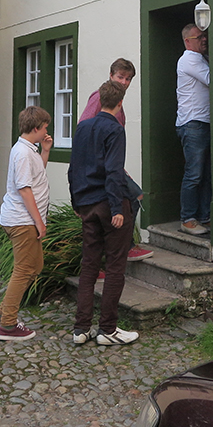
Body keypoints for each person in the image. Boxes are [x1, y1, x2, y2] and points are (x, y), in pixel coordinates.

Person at [69, 80, 139, 345]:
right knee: (114, 266)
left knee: (88, 266)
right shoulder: (115, 129)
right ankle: (108, 329)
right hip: (110, 204)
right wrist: (115, 207)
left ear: (98, 101)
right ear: (120, 103)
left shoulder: (83, 127)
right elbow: (113, 171)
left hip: (86, 204)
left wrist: (77, 203)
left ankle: (81, 328)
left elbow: (73, 167)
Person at [79, 58, 152, 264]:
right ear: (111, 76)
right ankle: (124, 248)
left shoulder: (118, 103)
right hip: (101, 166)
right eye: (120, 77)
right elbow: (84, 127)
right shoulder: (100, 98)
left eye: (128, 79)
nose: (124, 82)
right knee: (131, 197)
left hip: (110, 165)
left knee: (132, 197)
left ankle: (119, 248)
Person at [0, 105, 53, 341]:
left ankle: (1, 314)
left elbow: (36, 178)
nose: (47, 131)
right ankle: (7, 325)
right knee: (24, 269)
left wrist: (45, 151)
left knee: (34, 267)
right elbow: (25, 189)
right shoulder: (23, 153)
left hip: (23, 220)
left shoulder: (30, 150)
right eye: (45, 127)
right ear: (36, 128)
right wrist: (39, 222)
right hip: (22, 221)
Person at [176, 24, 211, 236]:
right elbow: (212, 79)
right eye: (199, 37)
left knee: (205, 174)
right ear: (188, 41)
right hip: (193, 123)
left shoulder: (199, 59)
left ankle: (204, 216)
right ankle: (188, 219)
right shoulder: (190, 59)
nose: (204, 40)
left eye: (205, 36)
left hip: (202, 122)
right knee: (194, 174)